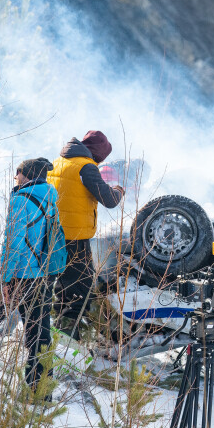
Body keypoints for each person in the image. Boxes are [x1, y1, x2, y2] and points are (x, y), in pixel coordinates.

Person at [0, 158, 66, 396]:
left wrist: (4, 280)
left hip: (19, 278)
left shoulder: (21, 199)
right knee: (39, 336)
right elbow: (37, 240)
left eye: (17, 173)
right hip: (42, 276)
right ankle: (40, 393)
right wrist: (2, 259)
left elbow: (15, 244)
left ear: (24, 174)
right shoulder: (49, 198)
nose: (15, 178)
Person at [46, 130, 123, 338]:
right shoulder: (86, 167)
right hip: (74, 238)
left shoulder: (58, 162)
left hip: (52, 234)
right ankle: (66, 338)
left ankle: (56, 334)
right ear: (98, 153)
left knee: (61, 288)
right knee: (80, 289)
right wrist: (118, 191)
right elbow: (109, 200)